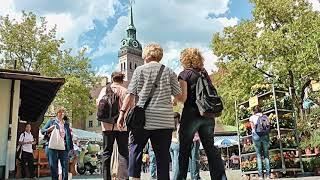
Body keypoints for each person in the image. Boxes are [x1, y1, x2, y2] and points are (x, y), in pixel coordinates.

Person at [117, 43, 184, 180]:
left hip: (142, 121)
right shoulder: (169, 71)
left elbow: (130, 94)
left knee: (135, 152)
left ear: (146, 55)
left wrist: (122, 114)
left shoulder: (139, 71)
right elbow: (179, 96)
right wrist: (173, 99)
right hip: (164, 122)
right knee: (162, 158)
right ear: (159, 56)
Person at [175, 48, 226, 180]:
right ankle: (220, 177)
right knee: (210, 148)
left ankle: (180, 178)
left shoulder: (184, 74)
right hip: (207, 114)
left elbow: (183, 98)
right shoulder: (204, 73)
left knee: (184, 149)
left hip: (191, 115)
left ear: (185, 59)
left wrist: (175, 98)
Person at [96, 72, 129, 180]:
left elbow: (99, 104)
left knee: (106, 153)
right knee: (123, 152)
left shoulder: (105, 90)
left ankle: (106, 178)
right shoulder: (125, 91)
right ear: (122, 80)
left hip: (107, 126)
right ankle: (124, 177)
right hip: (122, 127)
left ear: (112, 79)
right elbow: (130, 108)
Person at [41, 107, 73, 180]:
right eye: (60, 112)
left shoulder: (66, 124)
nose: (62, 113)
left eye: (63, 112)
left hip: (64, 147)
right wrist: (49, 129)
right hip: (52, 147)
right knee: (53, 167)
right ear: (57, 113)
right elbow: (42, 130)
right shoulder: (51, 121)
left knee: (65, 166)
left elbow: (69, 137)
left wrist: (71, 148)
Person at [249, 105, 271, 180]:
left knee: (258, 156)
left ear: (254, 111)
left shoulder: (252, 117)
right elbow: (268, 126)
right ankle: (268, 175)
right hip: (265, 135)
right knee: (266, 155)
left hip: (256, 136)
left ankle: (261, 176)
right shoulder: (265, 116)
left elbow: (253, 128)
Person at [170, 112, 181, 180]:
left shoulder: (170, 125)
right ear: (178, 118)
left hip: (171, 144)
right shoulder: (179, 125)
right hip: (177, 144)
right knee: (176, 163)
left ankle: (173, 177)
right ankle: (175, 178)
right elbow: (179, 136)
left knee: (173, 163)